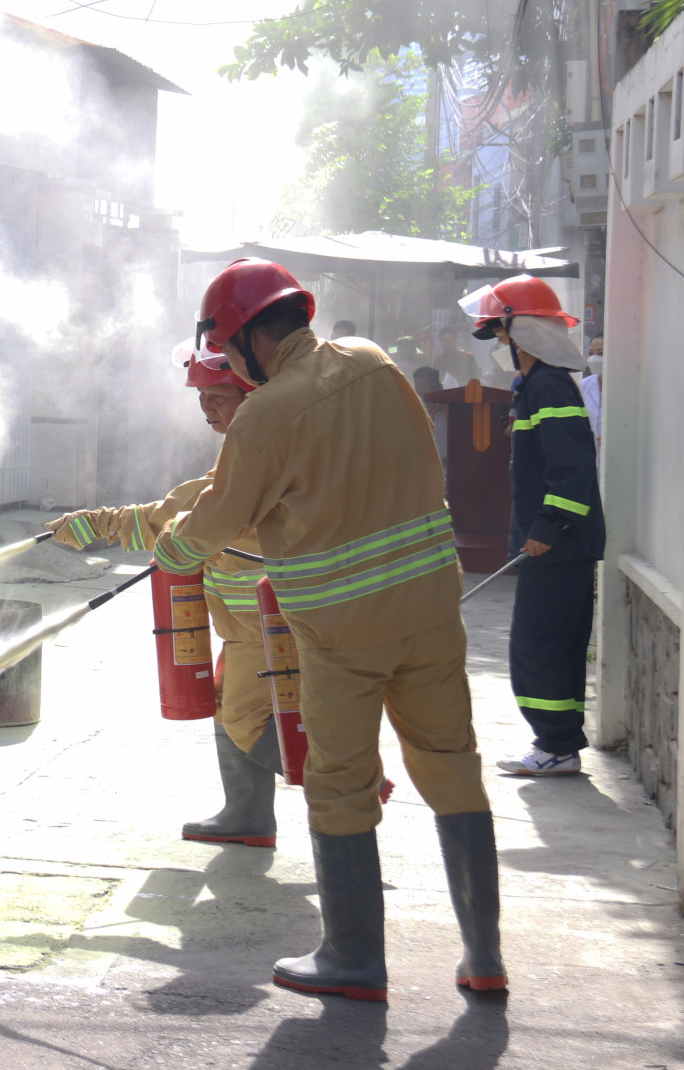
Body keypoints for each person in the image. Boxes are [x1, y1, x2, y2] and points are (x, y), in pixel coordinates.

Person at [151, 258, 503, 1002]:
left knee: (339, 783)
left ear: (243, 338)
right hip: (433, 610)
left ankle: (352, 959)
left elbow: (220, 516)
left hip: (344, 632)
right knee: (451, 763)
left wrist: (171, 548)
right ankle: (483, 958)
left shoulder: (265, 414)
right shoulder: (374, 362)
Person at [46, 345, 282, 847]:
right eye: (202, 397)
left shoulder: (263, 460)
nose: (207, 408)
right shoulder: (241, 458)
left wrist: (99, 525)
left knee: (245, 717)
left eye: (219, 396)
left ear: (253, 395)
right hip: (249, 631)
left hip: (272, 627)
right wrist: (91, 524)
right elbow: (176, 511)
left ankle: (347, 782)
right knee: (229, 708)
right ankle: (249, 817)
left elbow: (187, 514)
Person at [461, 277, 605, 777]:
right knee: (548, 644)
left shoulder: (547, 385)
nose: (497, 343)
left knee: (540, 646)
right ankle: (556, 743)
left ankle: (557, 745)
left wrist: (548, 525)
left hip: (558, 546)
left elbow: (573, 468)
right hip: (557, 546)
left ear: (519, 330)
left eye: (499, 332)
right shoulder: (536, 387)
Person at [580, 335, 604, 447]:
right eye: (591, 353)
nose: (594, 358)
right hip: (589, 454)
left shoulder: (623, 387)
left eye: (600, 353)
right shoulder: (585, 385)